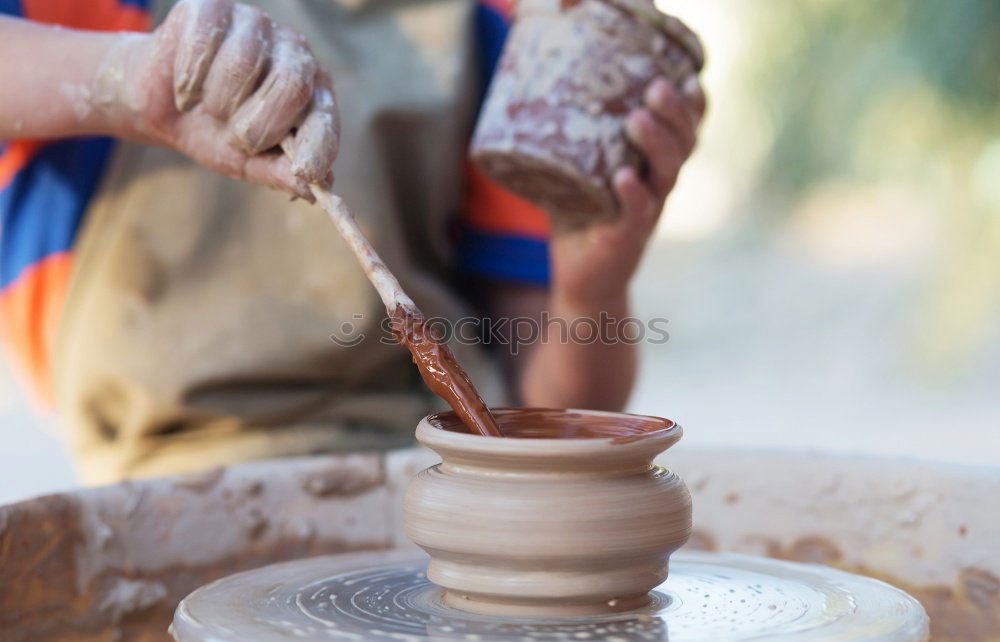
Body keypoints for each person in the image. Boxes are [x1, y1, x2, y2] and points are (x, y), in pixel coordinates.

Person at [0, 0, 705, 484]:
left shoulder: (498, 26)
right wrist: (127, 80)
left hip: (433, 465)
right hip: (167, 467)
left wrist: (593, 287)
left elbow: (547, 412)